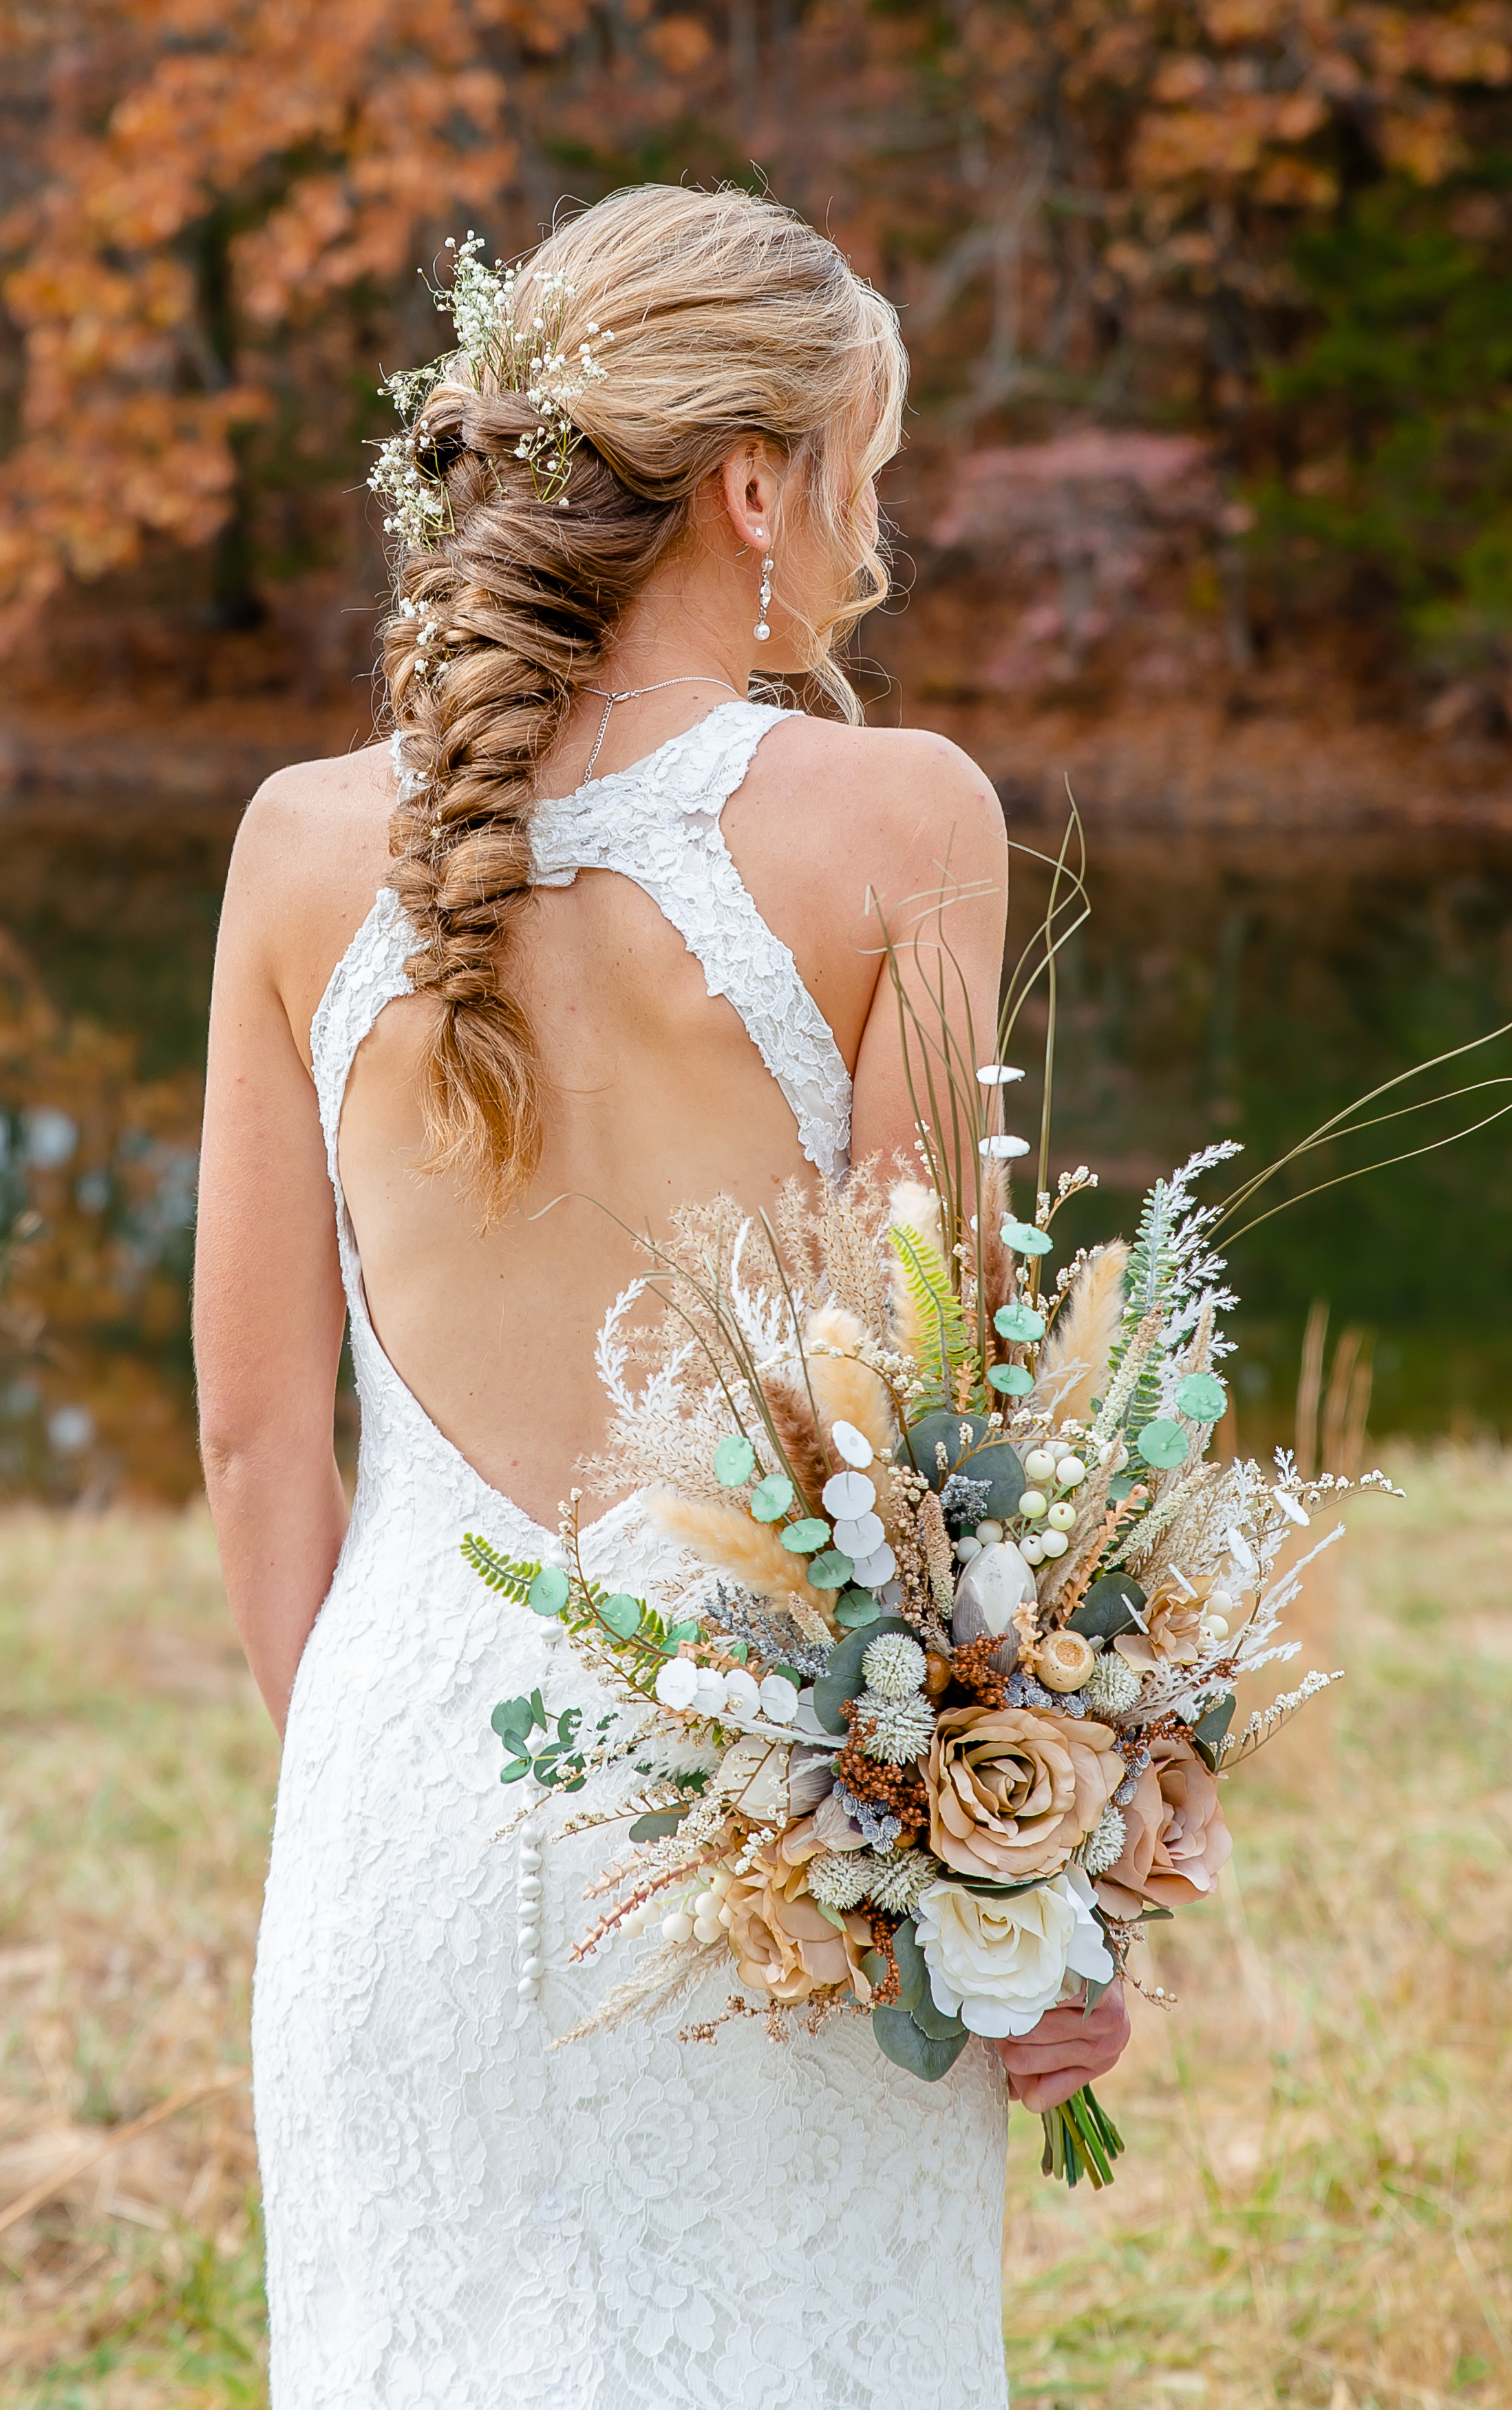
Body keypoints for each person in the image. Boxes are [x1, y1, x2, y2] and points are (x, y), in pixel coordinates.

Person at [193, 184, 1129, 2409]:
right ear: (751, 490)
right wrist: (1020, 1870)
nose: (871, 543)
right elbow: (930, 1419)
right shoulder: (901, 812)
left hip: (391, 1796)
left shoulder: (299, 843)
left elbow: (253, 1433)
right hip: (776, 1821)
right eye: (861, 479)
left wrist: (361, 1784)